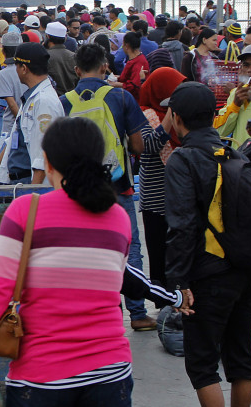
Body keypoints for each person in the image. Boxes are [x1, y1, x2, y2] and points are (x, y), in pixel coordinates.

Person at [0, 118, 134, 405]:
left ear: (48, 163)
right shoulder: (119, 218)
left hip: (42, 377)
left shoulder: (25, 211)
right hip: (112, 373)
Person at [164, 81, 251, 407]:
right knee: (240, 358)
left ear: (176, 117)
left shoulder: (183, 159)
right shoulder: (232, 151)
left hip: (209, 273)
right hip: (246, 269)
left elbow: (182, 226)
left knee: (203, 363)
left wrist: (178, 280)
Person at [61, 43, 151, 330]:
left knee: (87, 248)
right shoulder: (120, 97)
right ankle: (137, 313)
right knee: (129, 246)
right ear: (104, 67)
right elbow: (138, 145)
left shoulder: (64, 101)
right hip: (118, 185)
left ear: (76, 70)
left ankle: (105, 311)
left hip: (78, 189)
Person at [0, 42, 64, 186]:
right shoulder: (32, 97)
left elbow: (43, 157)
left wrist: (32, 198)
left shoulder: (43, 102)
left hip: (29, 183)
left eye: (16, 66)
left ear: (24, 68)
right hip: (18, 181)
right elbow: (14, 139)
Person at [137, 67, 186, 284]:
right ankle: (163, 300)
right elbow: (151, 144)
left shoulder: (183, 117)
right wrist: (170, 113)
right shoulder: (143, 114)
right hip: (156, 200)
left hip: (180, 199)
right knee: (158, 255)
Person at [217, 43, 251, 148]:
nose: (250, 70)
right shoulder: (236, 94)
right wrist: (235, 105)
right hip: (240, 160)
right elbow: (220, 132)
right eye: (246, 65)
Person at [0, 31, 25, 137]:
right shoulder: (27, 69)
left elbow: (12, 105)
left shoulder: (3, 74)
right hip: (28, 122)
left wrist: (22, 122)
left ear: (3, 51)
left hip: (12, 125)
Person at [112, 31, 149, 102]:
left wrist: (116, 84)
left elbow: (134, 86)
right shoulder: (134, 59)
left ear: (126, 46)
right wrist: (118, 78)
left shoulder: (138, 62)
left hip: (135, 100)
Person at [45, 21, 78, 95]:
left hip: (54, 98)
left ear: (48, 36)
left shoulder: (46, 56)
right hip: (72, 98)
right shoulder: (74, 56)